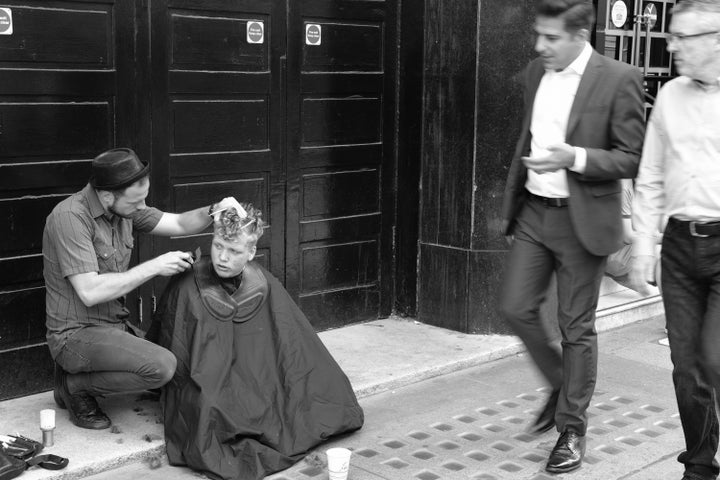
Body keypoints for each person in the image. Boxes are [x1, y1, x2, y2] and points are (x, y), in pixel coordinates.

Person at [499, 0, 645, 473]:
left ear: (580, 35)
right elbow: (527, 136)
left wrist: (574, 157)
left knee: (575, 325)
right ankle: (563, 383)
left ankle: (572, 429)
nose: (540, 46)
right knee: (514, 307)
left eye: (551, 37)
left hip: (582, 220)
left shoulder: (619, 78)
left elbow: (629, 157)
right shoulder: (535, 72)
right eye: (538, 35)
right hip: (535, 215)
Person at [155, 204, 364, 480]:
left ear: (251, 252)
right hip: (208, 377)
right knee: (209, 412)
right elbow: (176, 343)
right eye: (218, 246)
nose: (223, 258)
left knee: (316, 398)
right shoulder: (186, 284)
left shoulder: (264, 281)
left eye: (234, 251)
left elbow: (291, 346)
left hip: (259, 375)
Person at [42, 147, 239, 430]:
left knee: (185, 363)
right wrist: (155, 266)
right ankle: (73, 385)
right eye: (136, 201)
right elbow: (90, 291)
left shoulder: (124, 208)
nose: (142, 206)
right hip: (75, 334)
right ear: (108, 195)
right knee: (162, 367)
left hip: (114, 325)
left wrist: (214, 210)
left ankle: (88, 377)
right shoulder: (70, 218)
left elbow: (180, 222)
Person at [631, 2, 720, 479]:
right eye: (671, 37)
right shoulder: (669, 96)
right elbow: (650, 174)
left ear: (716, 39)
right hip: (682, 248)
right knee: (687, 368)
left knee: (715, 358)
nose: (671, 45)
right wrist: (645, 243)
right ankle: (701, 467)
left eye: (682, 37)